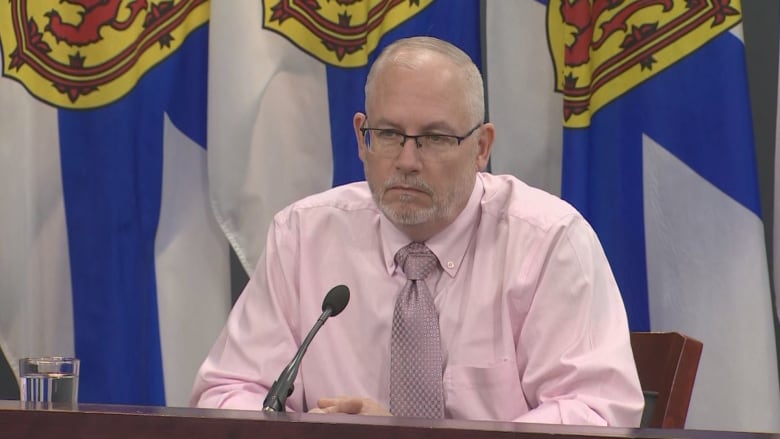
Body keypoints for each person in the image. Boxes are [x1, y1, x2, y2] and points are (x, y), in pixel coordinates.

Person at [190, 36, 644, 427]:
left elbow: (594, 412)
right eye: (388, 134)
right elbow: (226, 393)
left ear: (482, 147)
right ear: (361, 136)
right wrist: (313, 432)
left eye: (435, 138)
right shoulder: (302, 237)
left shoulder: (547, 243)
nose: (407, 161)